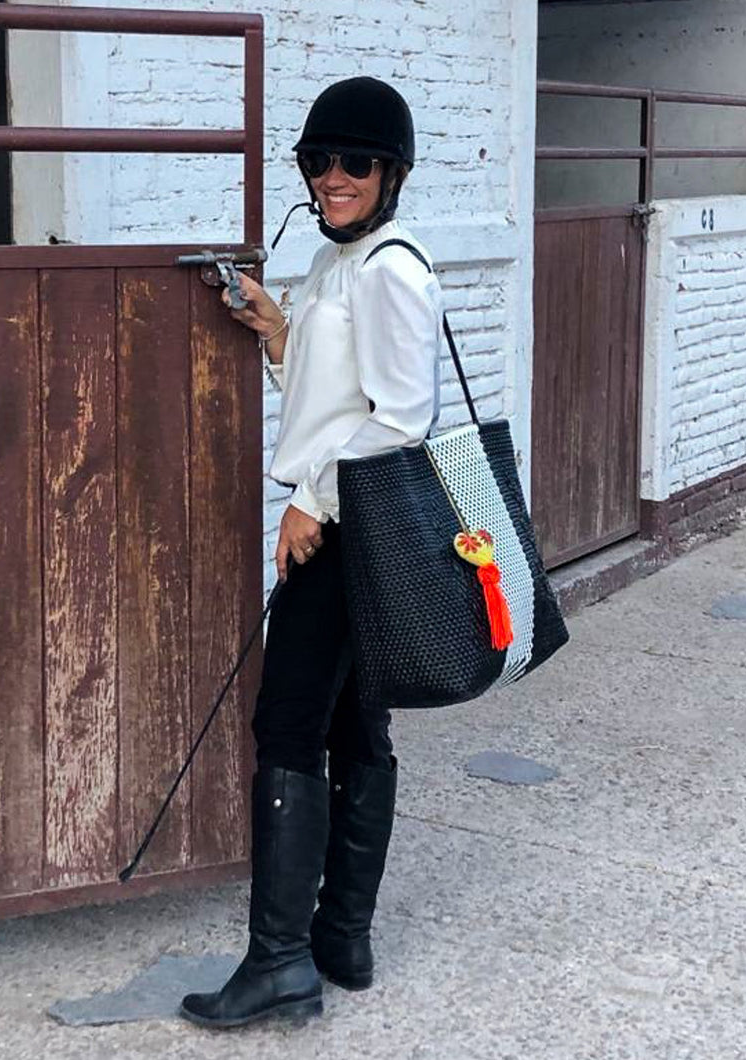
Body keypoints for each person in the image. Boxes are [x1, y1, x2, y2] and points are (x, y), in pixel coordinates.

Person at [179, 76, 444, 1029]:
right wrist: (282, 335)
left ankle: (281, 963)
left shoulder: (391, 270)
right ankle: (342, 938)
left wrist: (312, 502)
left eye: (355, 163)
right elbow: (337, 399)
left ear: (393, 173)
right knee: (350, 724)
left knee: (289, 725)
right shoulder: (339, 264)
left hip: (344, 535)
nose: (334, 177)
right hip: (344, 530)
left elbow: (403, 420)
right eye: (317, 161)